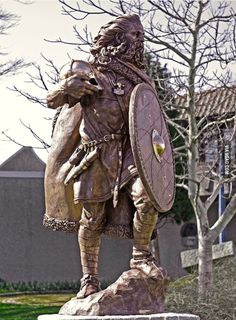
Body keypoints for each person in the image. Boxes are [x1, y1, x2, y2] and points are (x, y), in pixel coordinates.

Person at [45, 14, 161, 299]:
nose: (140, 41)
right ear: (118, 39)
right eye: (135, 35)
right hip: (96, 153)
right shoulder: (88, 70)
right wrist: (65, 88)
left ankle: (141, 257)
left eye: (141, 35)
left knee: (147, 198)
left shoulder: (139, 80)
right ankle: (89, 279)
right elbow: (52, 100)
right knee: (92, 218)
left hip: (131, 154)